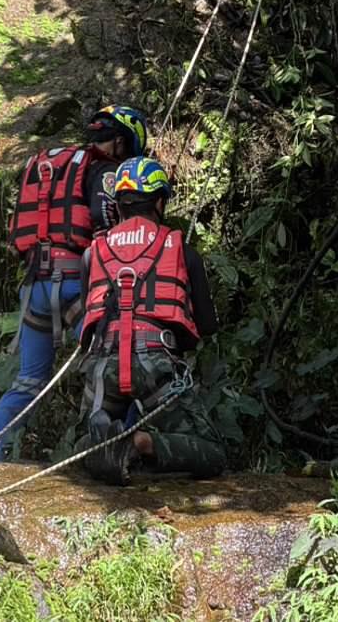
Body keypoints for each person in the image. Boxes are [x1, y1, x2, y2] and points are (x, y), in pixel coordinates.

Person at [0, 105, 149, 462]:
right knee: (121, 368)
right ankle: (118, 455)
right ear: (120, 141)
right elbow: (105, 230)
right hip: (74, 286)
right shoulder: (102, 172)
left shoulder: (55, 165)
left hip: (34, 287)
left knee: (28, 382)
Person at [73, 156, 224, 485]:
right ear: (158, 201)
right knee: (213, 451)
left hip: (103, 366)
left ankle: (107, 445)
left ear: (119, 205)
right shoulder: (181, 248)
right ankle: (143, 443)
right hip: (156, 364)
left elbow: (90, 322)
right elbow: (207, 326)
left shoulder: (92, 252)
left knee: (78, 449)